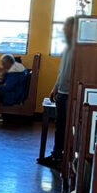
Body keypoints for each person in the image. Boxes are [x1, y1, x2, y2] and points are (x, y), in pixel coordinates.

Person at [40, 17, 76, 167]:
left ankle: (65, 158)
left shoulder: (80, 48)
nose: (63, 29)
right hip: (61, 92)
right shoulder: (67, 47)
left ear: (74, 28)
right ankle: (56, 155)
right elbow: (62, 70)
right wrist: (55, 87)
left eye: (66, 26)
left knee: (68, 128)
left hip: (71, 94)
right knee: (59, 126)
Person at [0, 54, 29, 123]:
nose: (2, 65)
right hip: (17, 91)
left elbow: (8, 87)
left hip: (13, 94)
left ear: (8, 63)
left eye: (3, 63)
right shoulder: (17, 66)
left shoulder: (14, 72)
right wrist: (5, 74)